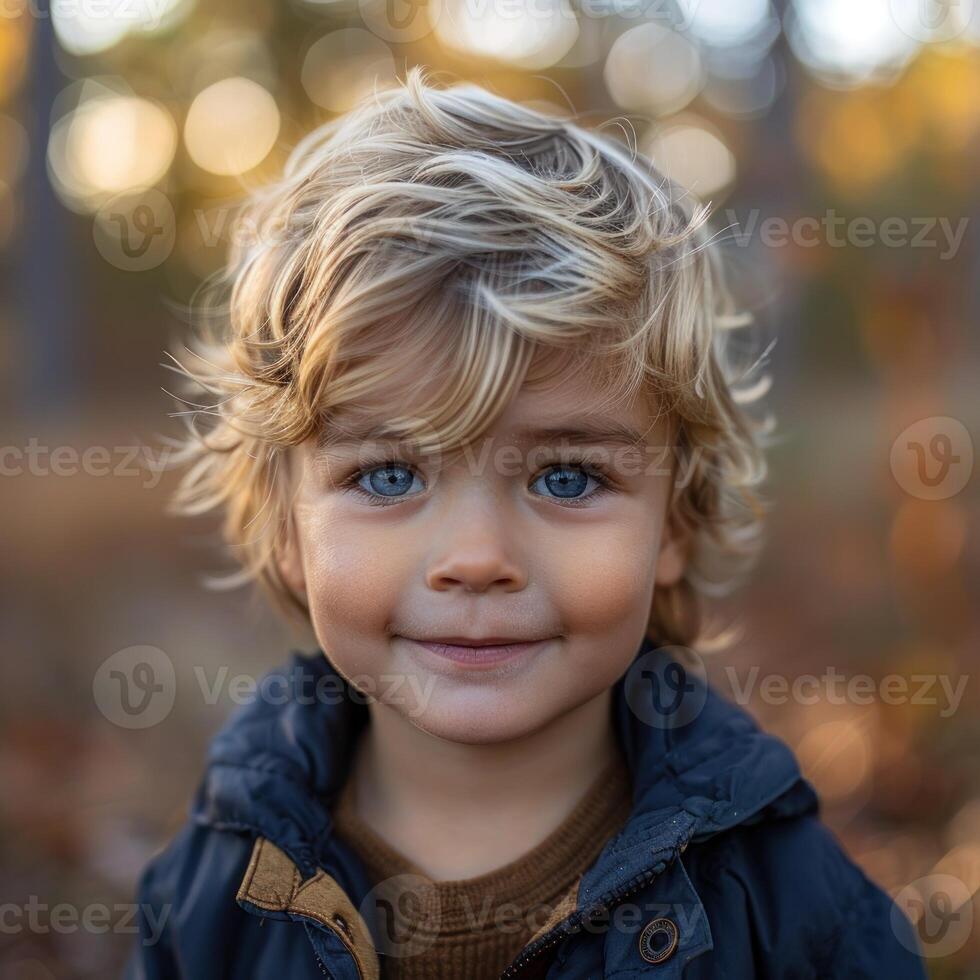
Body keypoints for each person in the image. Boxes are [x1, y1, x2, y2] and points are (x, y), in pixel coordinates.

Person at [124, 66, 927, 978]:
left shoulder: (783, 908)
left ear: (673, 522)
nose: (477, 560)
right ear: (284, 524)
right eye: (388, 475)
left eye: (568, 478)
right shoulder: (218, 889)